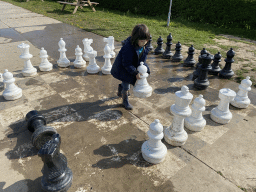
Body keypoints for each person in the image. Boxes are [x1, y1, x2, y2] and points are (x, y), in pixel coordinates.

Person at [111, 24, 151, 110]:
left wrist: (146, 69)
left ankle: (120, 88)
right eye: (142, 41)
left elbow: (142, 61)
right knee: (127, 84)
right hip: (123, 68)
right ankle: (125, 100)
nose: (144, 43)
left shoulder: (144, 46)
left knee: (127, 83)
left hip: (131, 67)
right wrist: (135, 72)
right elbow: (126, 63)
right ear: (136, 39)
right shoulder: (128, 48)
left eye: (146, 40)